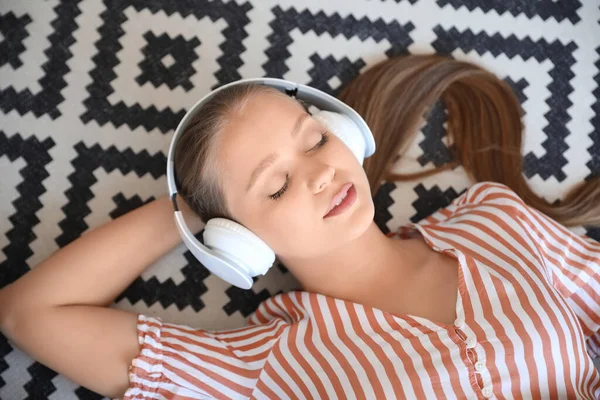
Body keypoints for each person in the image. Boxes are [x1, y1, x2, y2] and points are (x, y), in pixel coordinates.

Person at [1, 54, 600, 399]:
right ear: (239, 244)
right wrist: (186, 214)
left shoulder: (492, 218)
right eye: (276, 185)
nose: (318, 173)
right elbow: (27, 314)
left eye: (314, 138)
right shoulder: (266, 366)